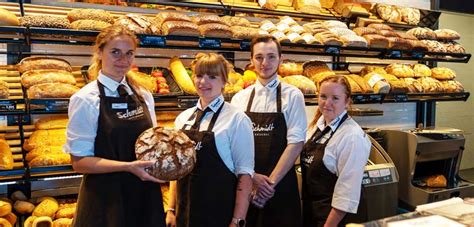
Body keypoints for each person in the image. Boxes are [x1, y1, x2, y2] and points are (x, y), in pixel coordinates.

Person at [64, 25, 166, 227]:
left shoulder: (143, 95)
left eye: (129, 53)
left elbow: (151, 143)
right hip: (106, 199)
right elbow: (79, 162)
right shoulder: (85, 99)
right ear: (100, 53)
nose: (123, 60)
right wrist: (128, 167)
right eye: (115, 52)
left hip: (144, 195)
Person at [166, 53, 254, 227]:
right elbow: (176, 168)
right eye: (199, 75)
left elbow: (245, 175)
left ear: (224, 81)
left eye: (212, 77)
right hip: (185, 211)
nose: (203, 82)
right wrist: (171, 209)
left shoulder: (236, 119)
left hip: (219, 214)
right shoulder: (183, 119)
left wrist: (237, 220)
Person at [231, 35, 306, 227]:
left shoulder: (293, 95)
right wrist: (253, 177)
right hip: (247, 185)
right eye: (259, 57)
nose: (265, 63)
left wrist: (269, 185)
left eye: (271, 56)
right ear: (251, 60)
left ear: (281, 59)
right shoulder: (239, 99)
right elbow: (233, 145)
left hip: (280, 187)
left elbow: (296, 142)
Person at [300, 75, 371, 227]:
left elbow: (346, 194)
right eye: (323, 96)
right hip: (314, 213)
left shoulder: (352, 136)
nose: (327, 103)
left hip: (337, 220)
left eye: (335, 98)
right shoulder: (315, 127)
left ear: (347, 102)